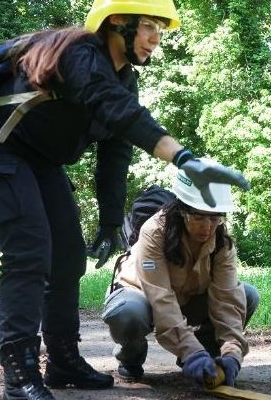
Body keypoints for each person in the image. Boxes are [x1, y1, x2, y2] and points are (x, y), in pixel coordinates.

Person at [0, 0, 249, 400]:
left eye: (159, 31)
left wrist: (111, 220)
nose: (155, 40)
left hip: (36, 160)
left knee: (68, 256)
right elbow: (117, 112)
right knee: (30, 251)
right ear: (119, 24)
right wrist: (182, 157)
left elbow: (115, 148)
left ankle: (64, 361)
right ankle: (19, 383)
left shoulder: (123, 79)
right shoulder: (79, 55)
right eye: (149, 27)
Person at [102, 165, 258, 388]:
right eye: (198, 217)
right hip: (142, 297)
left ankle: (207, 360)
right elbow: (161, 298)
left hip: (186, 299)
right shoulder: (155, 231)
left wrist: (233, 351)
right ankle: (131, 356)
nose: (207, 227)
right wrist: (190, 351)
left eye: (215, 219)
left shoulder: (221, 243)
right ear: (182, 210)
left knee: (247, 295)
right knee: (127, 314)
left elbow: (228, 300)